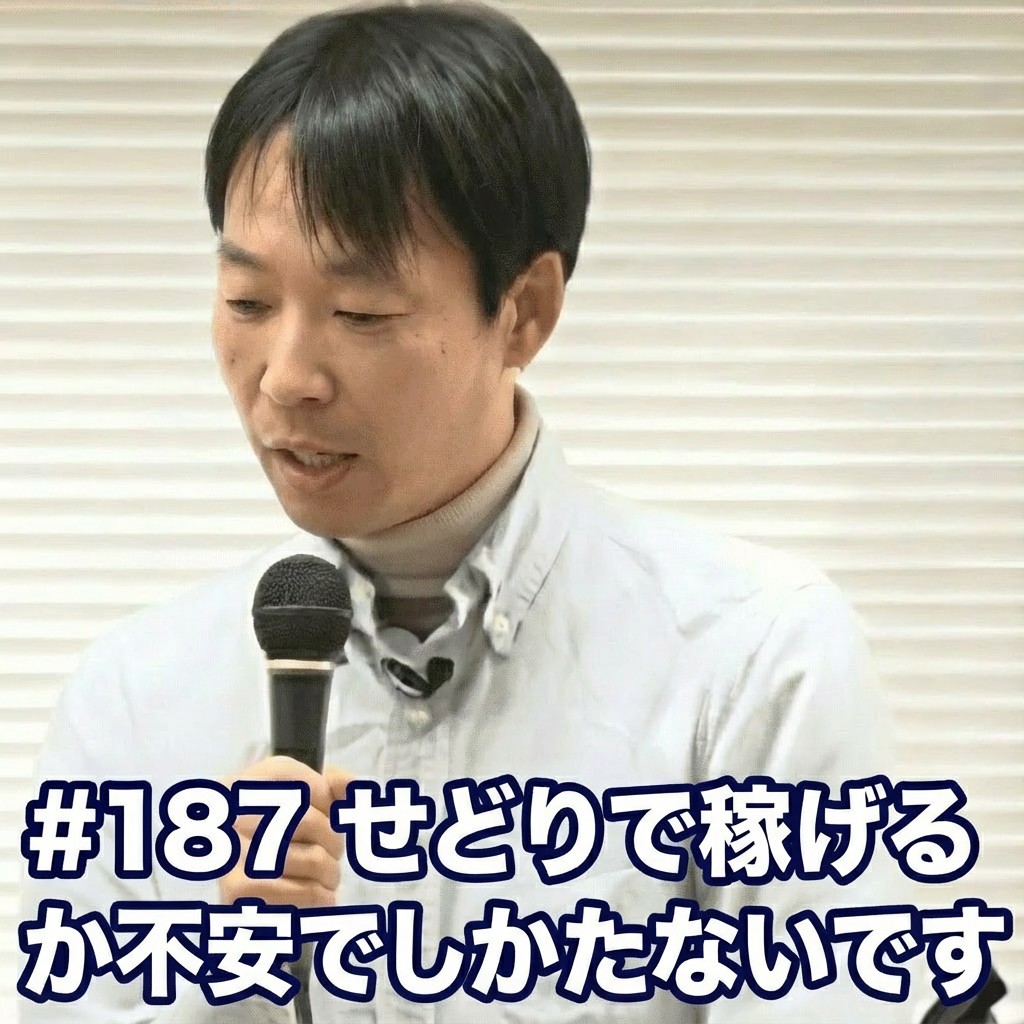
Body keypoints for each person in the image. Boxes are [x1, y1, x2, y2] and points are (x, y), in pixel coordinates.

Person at [20, 3, 924, 1021]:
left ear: (524, 312)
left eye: (361, 312)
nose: (285, 377)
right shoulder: (134, 699)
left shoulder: (753, 662)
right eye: (248, 303)